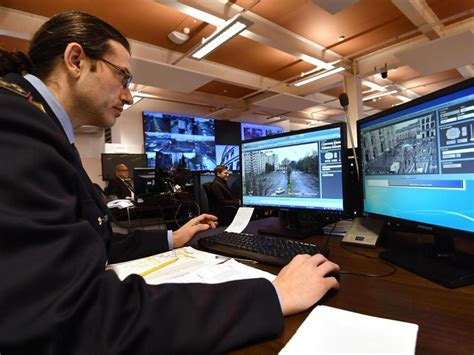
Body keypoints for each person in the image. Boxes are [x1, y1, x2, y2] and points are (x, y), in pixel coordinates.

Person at [0, 11, 340, 354]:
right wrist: (274, 295)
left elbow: (92, 237)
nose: (129, 96)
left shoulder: (37, 125)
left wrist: (172, 237)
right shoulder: (15, 128)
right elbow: (78, 318)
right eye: (123, 77)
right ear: (76, 60)